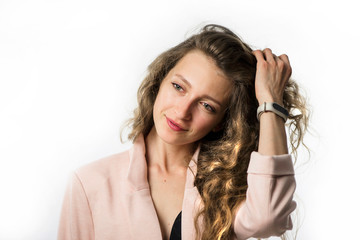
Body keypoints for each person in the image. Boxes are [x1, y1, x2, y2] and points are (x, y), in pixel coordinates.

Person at [58, 24, 308, 240]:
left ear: (221, 122)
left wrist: (271, 105)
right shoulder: (90, 184)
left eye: (207, 105)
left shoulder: (227, 188)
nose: (182, 111)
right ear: (159, 81)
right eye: (178, 87)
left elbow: (269, 217)